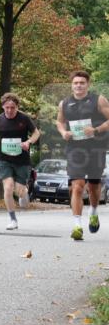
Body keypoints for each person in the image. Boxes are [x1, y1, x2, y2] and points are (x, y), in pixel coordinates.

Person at [55, 70, 109, 240]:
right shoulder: (64, 103)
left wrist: (96, 129)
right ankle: (77, 226)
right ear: (72, 85)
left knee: (93, 187)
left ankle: (93, 212)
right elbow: (60, 121)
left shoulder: (98, 100)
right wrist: (63, 132)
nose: (78, 85)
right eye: (76, 83)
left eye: (82, 83)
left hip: (96, 149)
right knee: (77, 186)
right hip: (75, 150)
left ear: (88, 84)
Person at [0, 93, 40, 231]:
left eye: (13, 107)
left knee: (19, 191)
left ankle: (24, 192)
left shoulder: (24, 118)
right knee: (8, 187)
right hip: (4, 159)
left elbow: (36, 133)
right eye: (7, 107)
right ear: (3, 106)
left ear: (17, 107)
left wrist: (29, 142)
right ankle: (12, 219)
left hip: (22, 160)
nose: (10, 110)